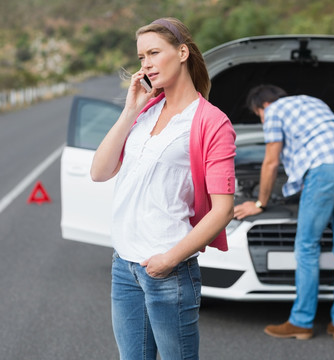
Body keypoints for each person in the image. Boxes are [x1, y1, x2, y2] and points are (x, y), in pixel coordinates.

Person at [90, 17, 236, 359]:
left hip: (167, 270)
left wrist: (168, 260)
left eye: (154, 53)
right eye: (141, 58)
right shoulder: (145, 111)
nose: (146, 64)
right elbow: (99, 171)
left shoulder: (211, 122)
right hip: (124, 265)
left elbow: (223, 209)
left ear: (182, 52)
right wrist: (130, 110)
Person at [234, 85, 334, 341]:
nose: (261, 120)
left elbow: (271, 162)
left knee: (306, 246)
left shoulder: (273, 112)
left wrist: (260, 203)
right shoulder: (313, 100)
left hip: (325, 170)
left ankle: (302, 322)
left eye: (258, 115)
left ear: (262, 107)